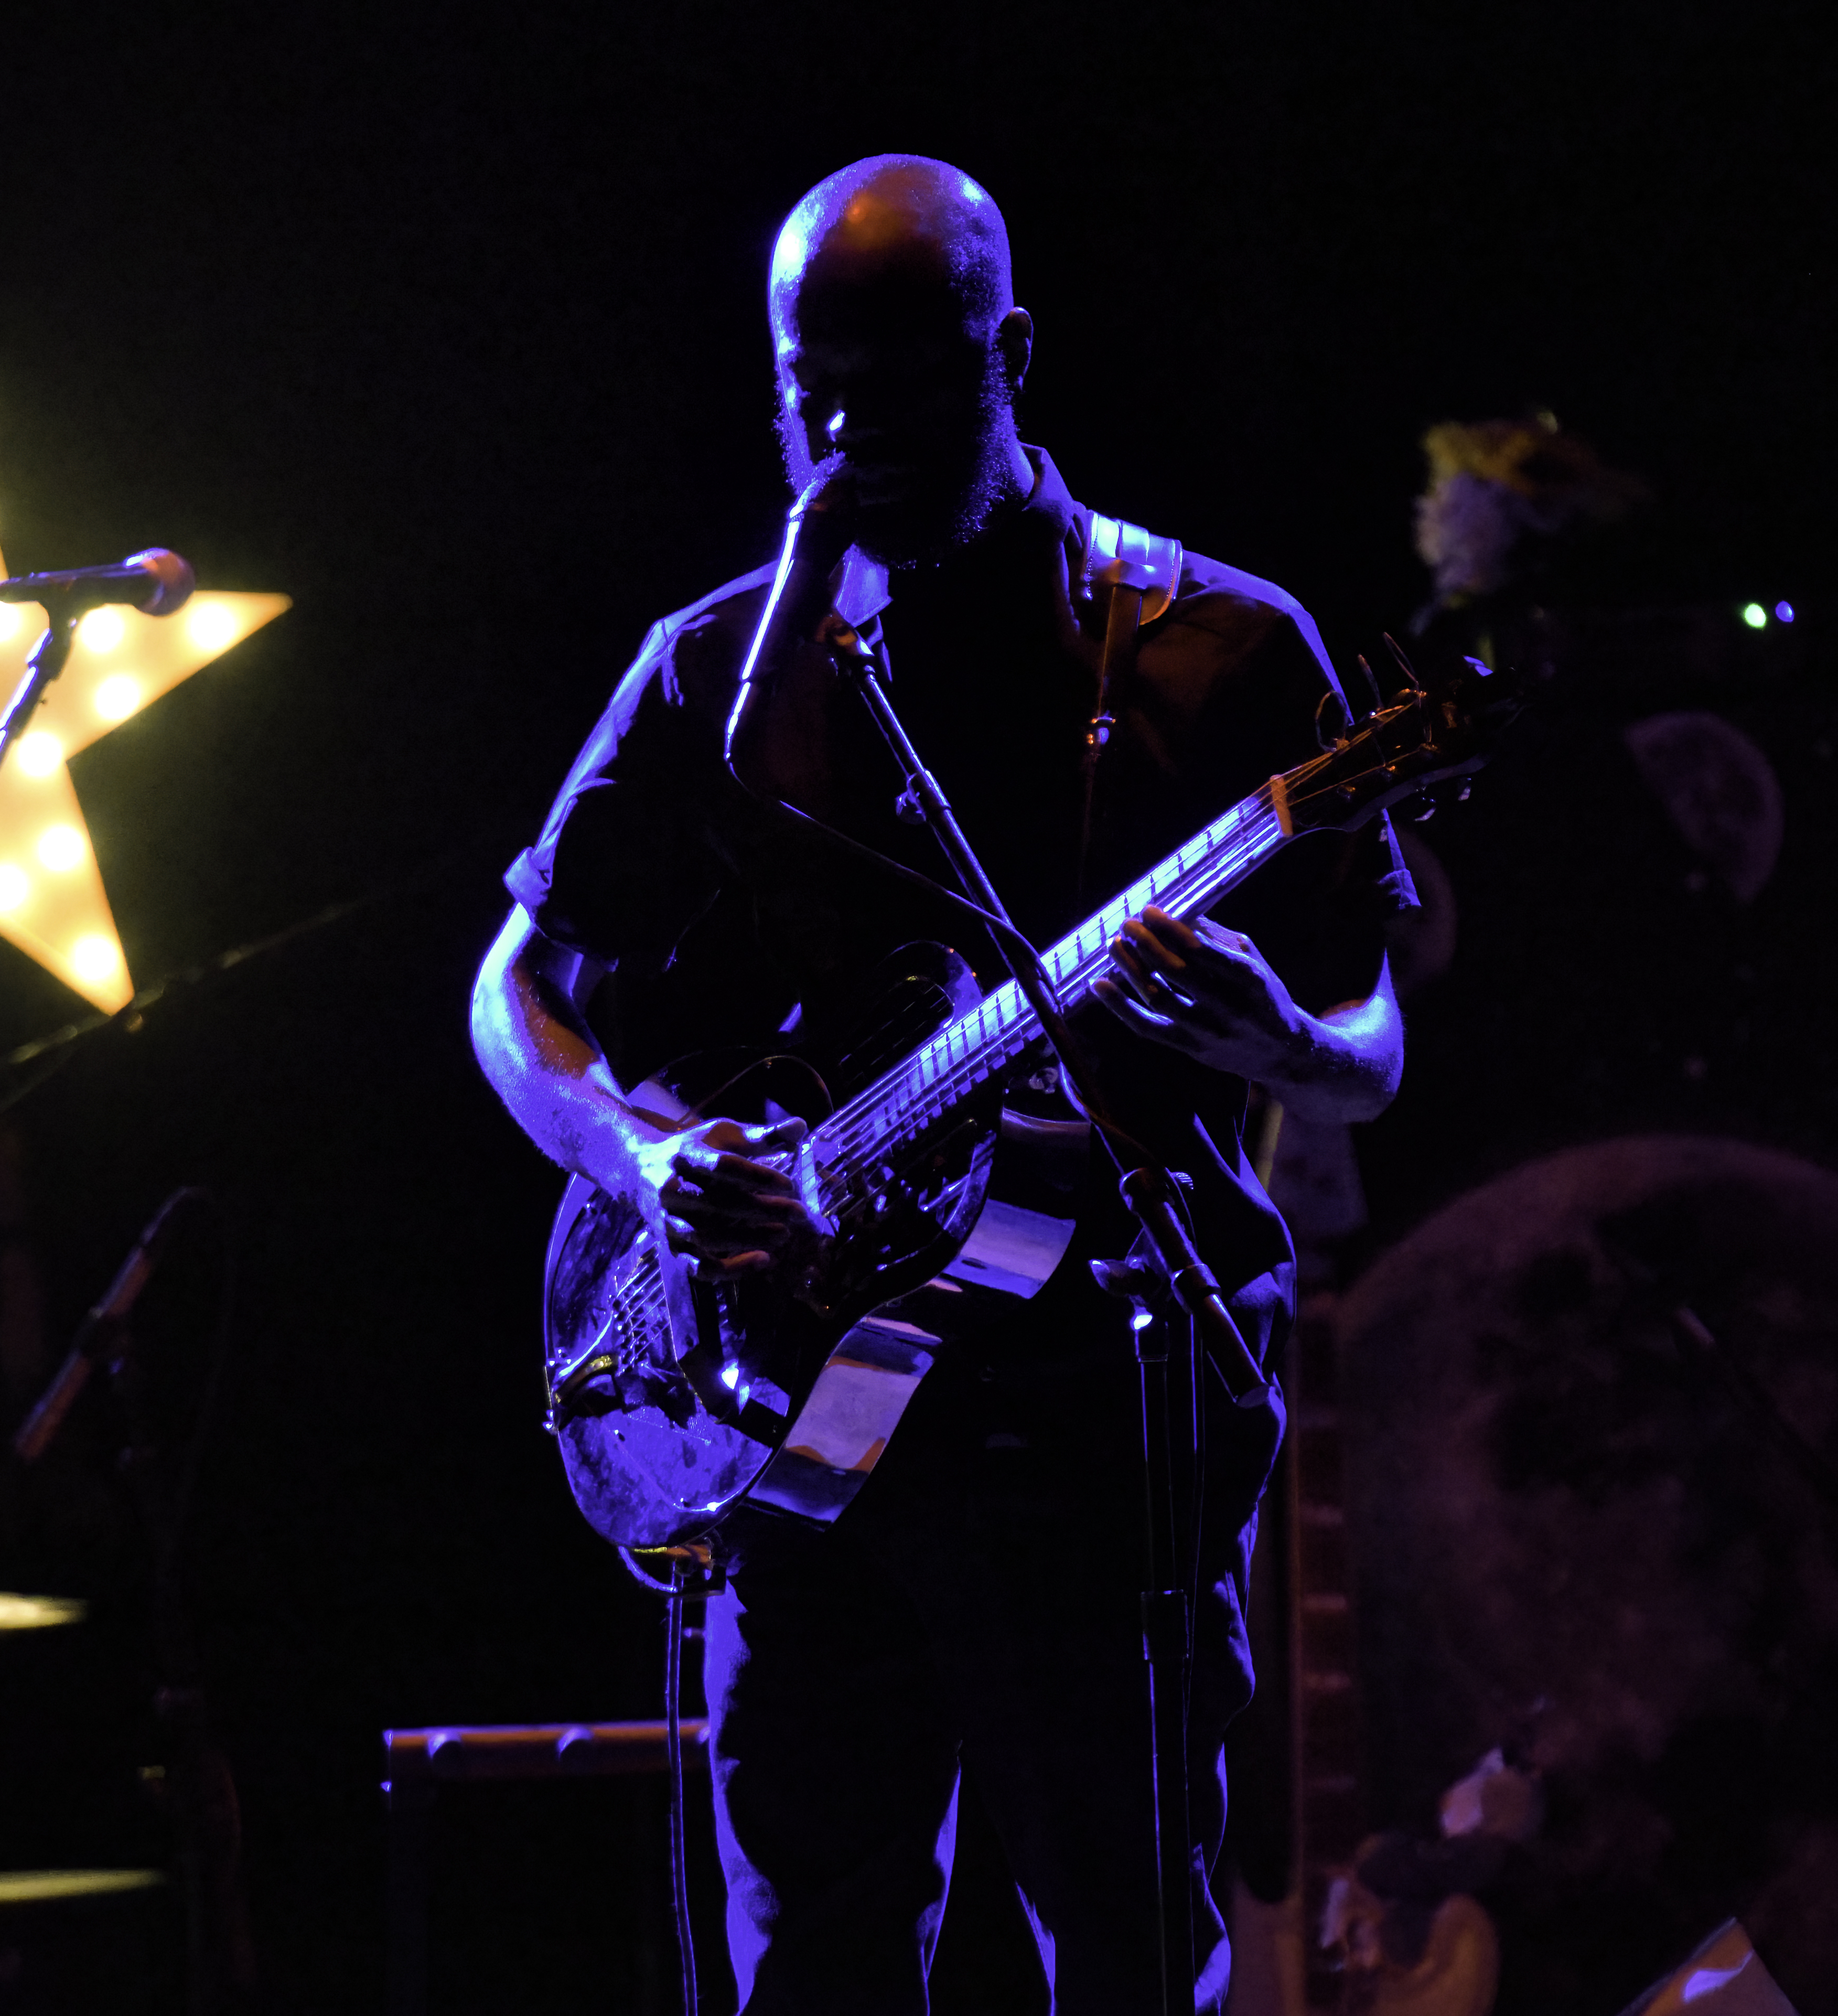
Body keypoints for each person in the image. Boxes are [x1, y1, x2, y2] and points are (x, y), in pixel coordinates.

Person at [469, 154, 1412, 2013]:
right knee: (818, 1949)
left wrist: (1273, 1041)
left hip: (1103, 1418)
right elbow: (519, 991)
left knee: (1128, 1948)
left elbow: (1369, 1049)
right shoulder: (716, 667)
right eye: (809, 385)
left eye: (905, 379)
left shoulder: (1220, 645)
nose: (848, 428)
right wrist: (643, 1160)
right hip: (799, 1420)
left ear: (1016, 352)